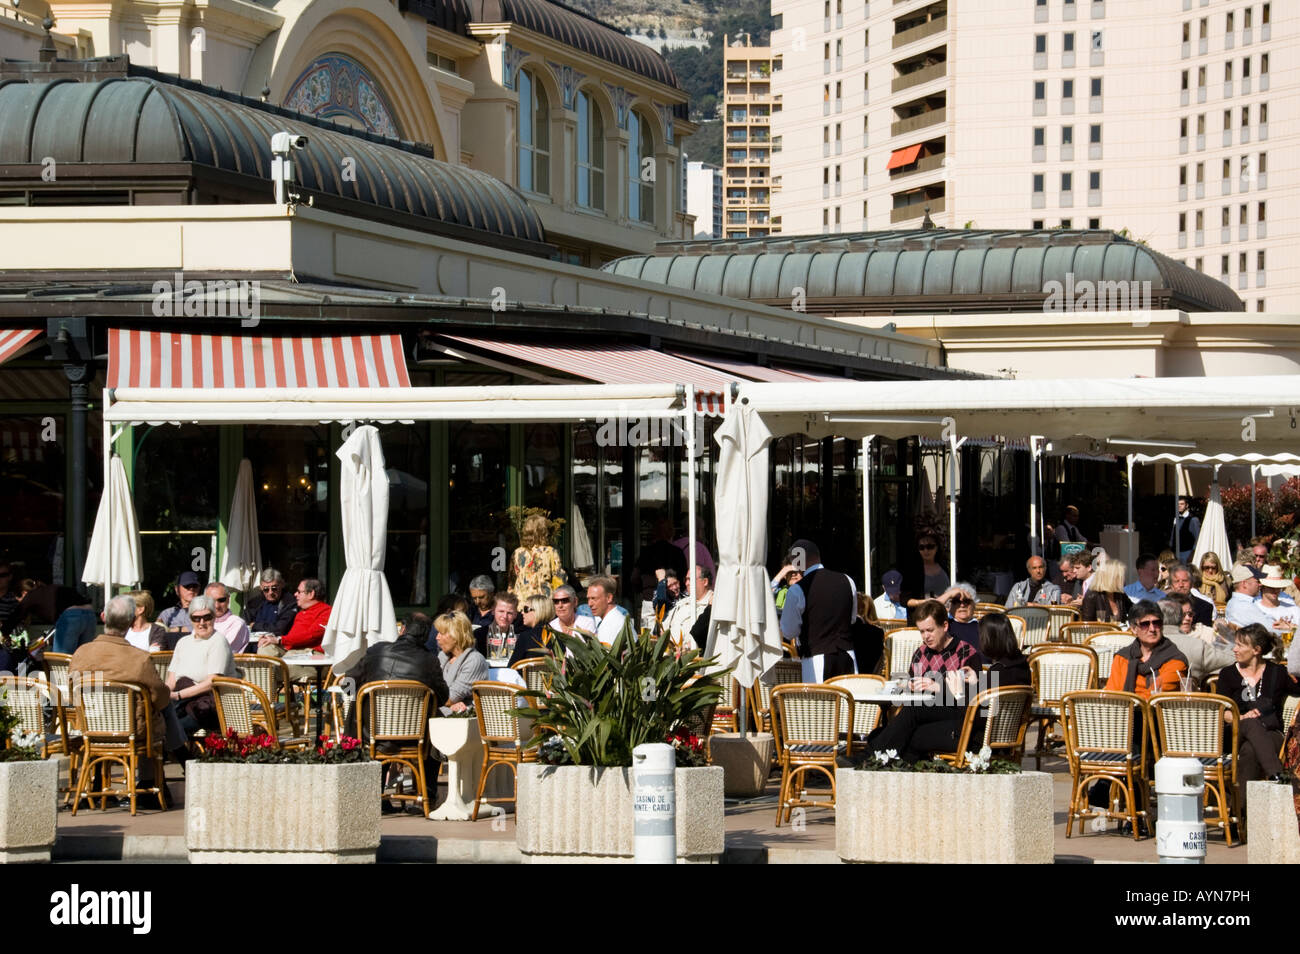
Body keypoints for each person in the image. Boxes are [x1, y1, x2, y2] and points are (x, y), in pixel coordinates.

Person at [863, 612, 1027, 763]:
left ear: (991, 639)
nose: (980, 641)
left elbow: (980, 715)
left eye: (982, 637)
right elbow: (989, 703)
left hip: (972, 737)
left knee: (913, 733)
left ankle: (873, 758)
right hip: (986, 733)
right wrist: (977, 681)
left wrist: (959, 693)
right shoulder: (1018, 667)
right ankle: (875, 751)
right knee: (915, 710)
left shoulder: (998, 671)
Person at [70, 595, 182, 793]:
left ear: (103, 617)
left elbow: (72, 695)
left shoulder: (80, 653)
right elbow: (161, 698)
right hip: (132, 731)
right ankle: (165, 770)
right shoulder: (139, 658)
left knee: (149, 708)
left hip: (91, 729)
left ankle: (99, 784)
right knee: (155, 708)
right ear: (131, 622)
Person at [1216, 624, 1300, 813]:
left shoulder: (1276, 672)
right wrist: (1241, 716)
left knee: (1251, 752)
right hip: (1236, 731)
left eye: (1240, 645)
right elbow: (1223, 711)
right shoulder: (1228, 674)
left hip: (1271, 733)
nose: (1234, 649)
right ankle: (1278, 777)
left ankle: (1241, 815)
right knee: (1250, 723)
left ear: (1256, 650)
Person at [779, 538, 858, 680]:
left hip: (816, 661)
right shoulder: (847, 580)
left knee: (819, 702)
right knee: (849, 701)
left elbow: (789, 631)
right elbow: (852, 619)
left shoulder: (797, 590)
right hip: (848, 656)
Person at [166, 595, 237, 734]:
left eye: (207, 617)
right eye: (196, 618)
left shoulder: (218, 642)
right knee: (154, 724)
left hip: (209, 705)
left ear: (214, 617)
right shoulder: (183, 643)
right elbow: (171, 680)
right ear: (190, 619)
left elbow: (212, 682)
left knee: (170, 730)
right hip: (184, 702)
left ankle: (180, 755)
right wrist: (163, 695)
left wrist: (179, 695)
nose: (202, 622)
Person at [1104, 601, 1189, 698]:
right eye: (1145, 624)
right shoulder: (1122, 657)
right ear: (1134, 629)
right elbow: (1112, 693)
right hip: (1124, 711)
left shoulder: (1175, 660)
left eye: (1156, 623)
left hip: (1157, 711)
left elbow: (1155, 697)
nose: (1152, 629)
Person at [1157, 598, 1234, 688]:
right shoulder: (1197, 646)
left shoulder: (1139, 643)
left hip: (1145, 700)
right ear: (1179, 618)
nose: (1187, 618)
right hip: (1187, 699)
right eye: (1184, 614)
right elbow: (1236, 658)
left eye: (1190, 614)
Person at [433, 611, 489, 716]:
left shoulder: (474, 660)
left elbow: (450, 698)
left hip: (463, 718)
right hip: (441, 712)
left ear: (455, 635)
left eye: (441, 633)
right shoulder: (443, 656)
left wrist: (431, 698)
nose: (437, 637)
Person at [510, 513, 566, 602]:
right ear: (543, 531)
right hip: (544, 602)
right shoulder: (550, 552)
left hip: (522, 602)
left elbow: (512, 581)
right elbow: (560, 578)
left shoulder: (517, 553)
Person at [662, 564, 713, 651]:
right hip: (669, 655)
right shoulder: (682, 603)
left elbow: (705, 636)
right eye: (686, 579)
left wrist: (686, 648)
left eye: (690, 579)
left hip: (692, 659)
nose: (686, 583)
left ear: (705, 582)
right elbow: (663, 628)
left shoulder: (712, 604)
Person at [241, 569, 298, 637]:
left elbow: (280, 628)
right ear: (261, 587)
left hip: (277, 644)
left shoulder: (289, 602)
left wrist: (255, 625)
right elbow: (243, 624)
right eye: (266, 589)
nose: (270, 592)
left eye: (274, 588)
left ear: (282, 585)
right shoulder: (255, 602)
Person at [509, 595, 557, 666]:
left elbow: (511, 667)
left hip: (526, 677)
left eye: (525, 609)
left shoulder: (526, 637)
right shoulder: (558, 636)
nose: (522, 612)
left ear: (538, 611)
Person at [1080, 559, 1132, 623]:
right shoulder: (1092, 596)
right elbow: (1086, 626)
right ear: (1109, 578)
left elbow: (1135, 610)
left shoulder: (1120, 594)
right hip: (1099, 632)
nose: (1123, 580)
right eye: (1119, 577)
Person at [905, 533, 950, 608]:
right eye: (921, 547)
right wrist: (924, 602)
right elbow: (905, 600)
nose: (926, 550)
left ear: (937, 547)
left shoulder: (945, 567)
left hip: (946, 613)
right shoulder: (913, 571)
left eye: (930, 546)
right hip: (925, 615)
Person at [939, 582, 982, 660]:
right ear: (948, 606)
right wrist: (949, 595)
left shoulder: (983, 626)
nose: (962, 605)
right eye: (956, 601)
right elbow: (927, 611)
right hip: (952, 669)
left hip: (981, 670)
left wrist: (992, 672)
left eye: (967, 601)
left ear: (974, 604)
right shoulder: (944, 625)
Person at [205, 582, 250, 654]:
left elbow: (220, 652)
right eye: (211, 601)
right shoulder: (200, 621)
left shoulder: (237, 623)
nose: (217, 606)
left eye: (221, 600)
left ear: (228, 600)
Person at [586, 575, 631, 645]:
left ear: (609, 598)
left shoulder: (613, 624)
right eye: (588, 599)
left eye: (594, 598)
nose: (589, 604)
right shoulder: (611, 620)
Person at [157, 570, 202, 637]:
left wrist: (177, 629)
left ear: (199, 588)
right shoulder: (167, 614)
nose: (191, 589)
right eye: (187, 586)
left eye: (194, 586)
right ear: (177, 589)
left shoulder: (205, 611)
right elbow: (156, 632)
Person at [1225, 564, 1272, 629]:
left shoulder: (1234, 602)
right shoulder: (1243, 606)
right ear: (1244, 584)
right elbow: (1271, 629)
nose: (1260, 584)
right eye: (1257, 581)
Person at [1257, 566, 1300, 633]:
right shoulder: (1255, 608)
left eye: (1278, 587)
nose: (1275, 590)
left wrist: (1290, 627)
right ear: (1262, 587)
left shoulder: (1293, 609)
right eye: (1271, 587)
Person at [484, 593, 521, 663]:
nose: (505, 616)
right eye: (501, 611)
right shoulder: (480, 635)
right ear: (493, 611)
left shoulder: (519, 637)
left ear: (515, 614)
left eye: (509, 613)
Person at [1170, 496, 1200, 564]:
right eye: (1178, 504)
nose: (1179, 506)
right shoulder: (1176, 519)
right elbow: (1172, 536)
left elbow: (1197, 538)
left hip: (1187, 554)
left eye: (1182, 504)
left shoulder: (1193, 520)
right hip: (1175, 553)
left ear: (1187, 505)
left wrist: (1192, 554)